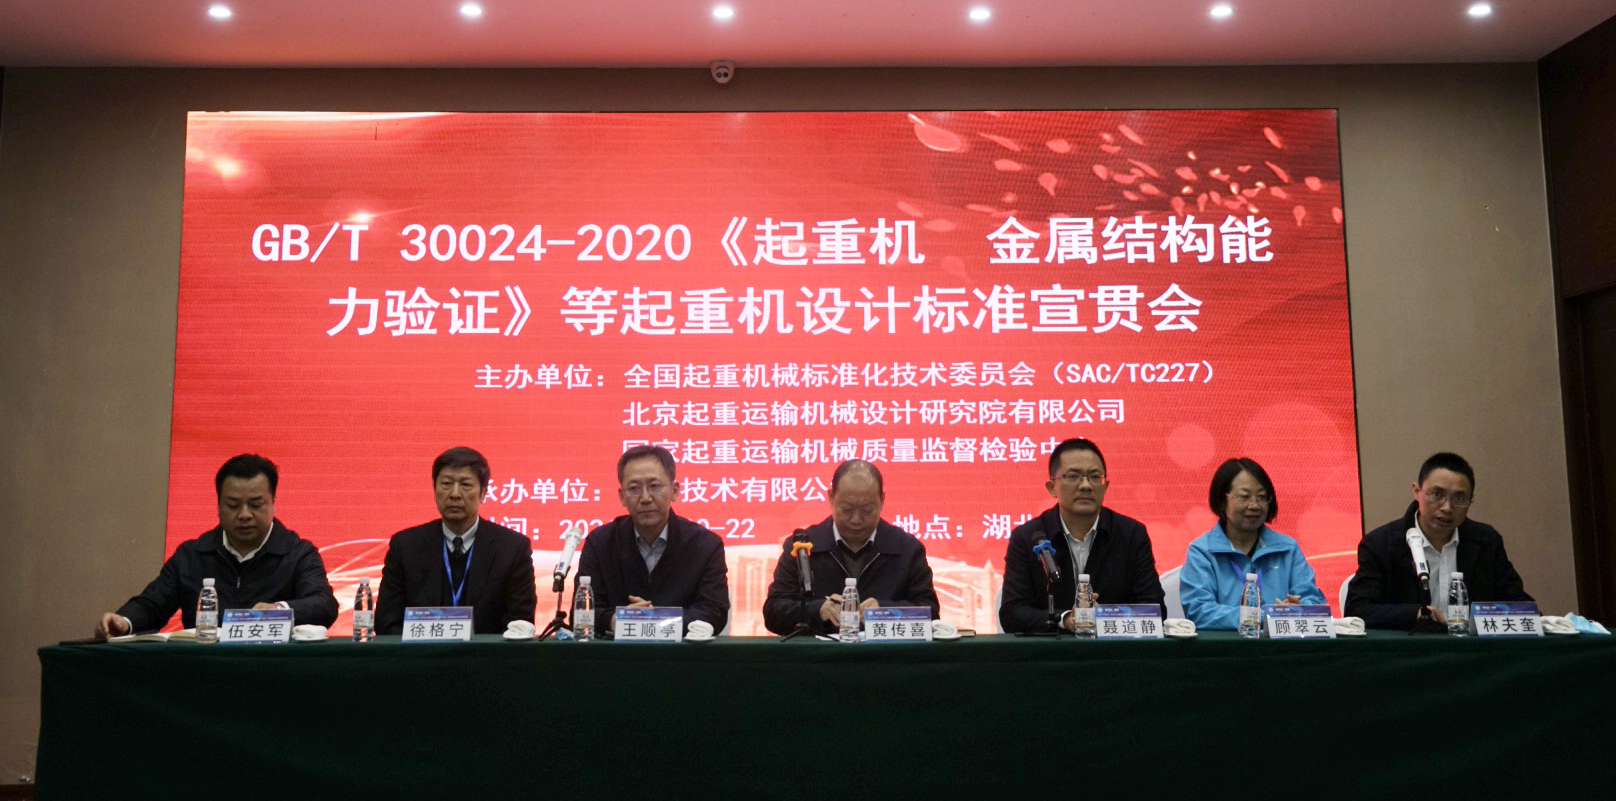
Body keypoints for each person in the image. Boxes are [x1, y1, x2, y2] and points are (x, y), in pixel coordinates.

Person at [95, 454, 338, 637]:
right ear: (218, 505)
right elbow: (152, 604)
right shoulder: (192, 555)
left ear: (273, 503)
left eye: (255, 504)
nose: (244, 514)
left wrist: (279, 609)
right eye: (233, 505)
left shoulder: (298, 553)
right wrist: (124, 620)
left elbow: (324, 605)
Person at [1345, 451, 1531, 630]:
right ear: (1417, 491)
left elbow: (1518, 604)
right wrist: (1417, 613)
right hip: (1410, 648)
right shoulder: (1381, 544)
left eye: (1459, 498)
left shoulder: (1485, 541)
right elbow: (1357, 610)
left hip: (1471, 648)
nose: (1447, 507)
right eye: (1437, 495)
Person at [1000, 437, 1165, 634]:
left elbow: (1155, 609)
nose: (1086, 485)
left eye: (1094, 477)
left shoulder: (1132, 534)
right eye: (1073, 476)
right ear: (1052, 487)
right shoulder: (1027, 537)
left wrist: (1104, 616)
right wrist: (1065, 619)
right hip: (1050, 650)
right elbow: (1012, 613)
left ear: (1106, 486)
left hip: (1114, 650)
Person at [763, 460, 939, 635]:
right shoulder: (802, 548)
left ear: (882, 500)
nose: (856, 519)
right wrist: (818, 610)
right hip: (820, 652)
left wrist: (884, 611)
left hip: (885, 652)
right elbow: (773, 612)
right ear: (831, 497)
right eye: (847, 509)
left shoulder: (907, 549)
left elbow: (931, 612)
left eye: (867, 509)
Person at [375, 447, 537, 635]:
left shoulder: (512, 548)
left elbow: (519, 625)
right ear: (434, 489)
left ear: (483, 493)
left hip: (488, 654)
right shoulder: (405, 546)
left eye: (466, 485)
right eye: (446, 484)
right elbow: (387, 622)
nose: (454, 494)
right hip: (421, 653)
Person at [574, 445, 729, 634]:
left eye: (654, 486)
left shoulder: (705, 545)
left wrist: (657, 620)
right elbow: (581, 612)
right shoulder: (600, 543)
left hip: (682, 651)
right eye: (634, 489)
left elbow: (714, 612)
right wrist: (615, 620)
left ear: (674, 490)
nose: (645, 498)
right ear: (622, 496)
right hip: (617, 651)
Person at [1179, 457, 1325, 629]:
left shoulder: (1288, 549)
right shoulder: (1203, 551)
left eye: (1262, 497)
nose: (1255, 505)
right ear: (1222, 501)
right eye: (1244, 496)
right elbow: (1200, 612)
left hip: (1281, 644)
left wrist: (1298, 609)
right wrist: (1267, 616)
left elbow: (1315, 603)